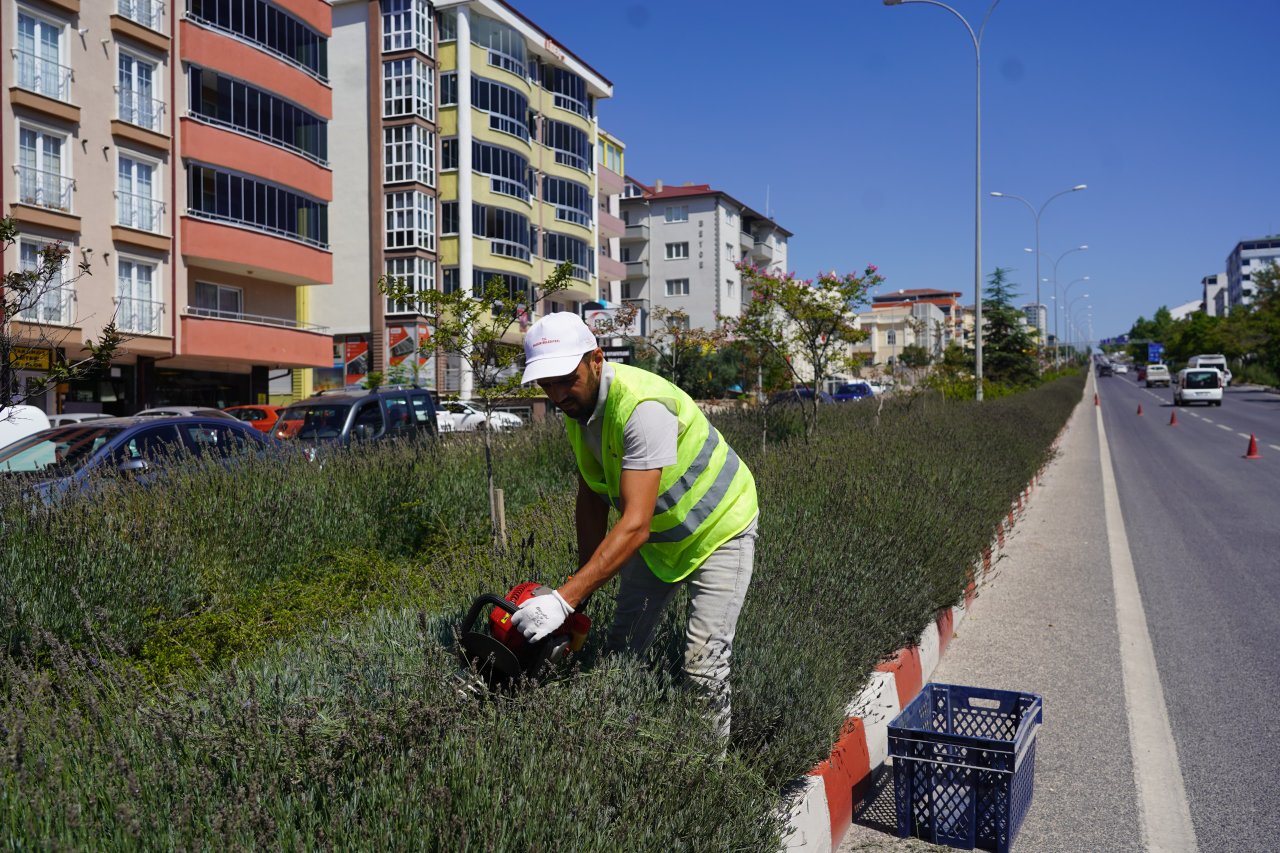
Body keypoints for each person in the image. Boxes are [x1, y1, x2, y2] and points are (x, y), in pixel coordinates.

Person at [510, 312, 759, 739]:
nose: (556, 394)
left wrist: (564, 601)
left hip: (720, 528)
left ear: (596, 359)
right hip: (662, 543)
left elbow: (636, 523)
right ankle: (622, 750)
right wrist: (578, 593)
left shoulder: (641, 408)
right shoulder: (578, 410)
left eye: (565, 379)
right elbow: (591, 495)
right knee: (621, 655)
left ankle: (708, 786)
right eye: (545, 384)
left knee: (703, 667)